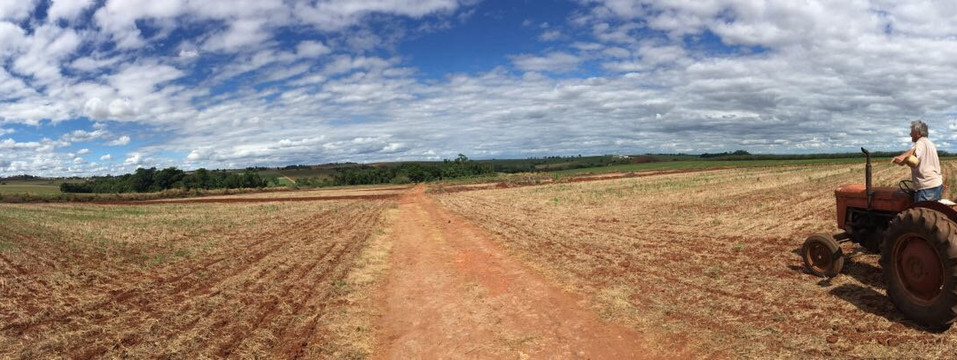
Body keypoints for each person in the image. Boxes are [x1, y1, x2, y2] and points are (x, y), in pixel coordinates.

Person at [892, 120, 943, 202]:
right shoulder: (930, 143)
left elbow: (911, 154)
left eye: (912, 132)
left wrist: (901, 159)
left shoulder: (920, 143)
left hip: (926, 188)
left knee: (921, 212)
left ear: (919, 133)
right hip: (936, 185)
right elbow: (913, 154)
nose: (910, 134)